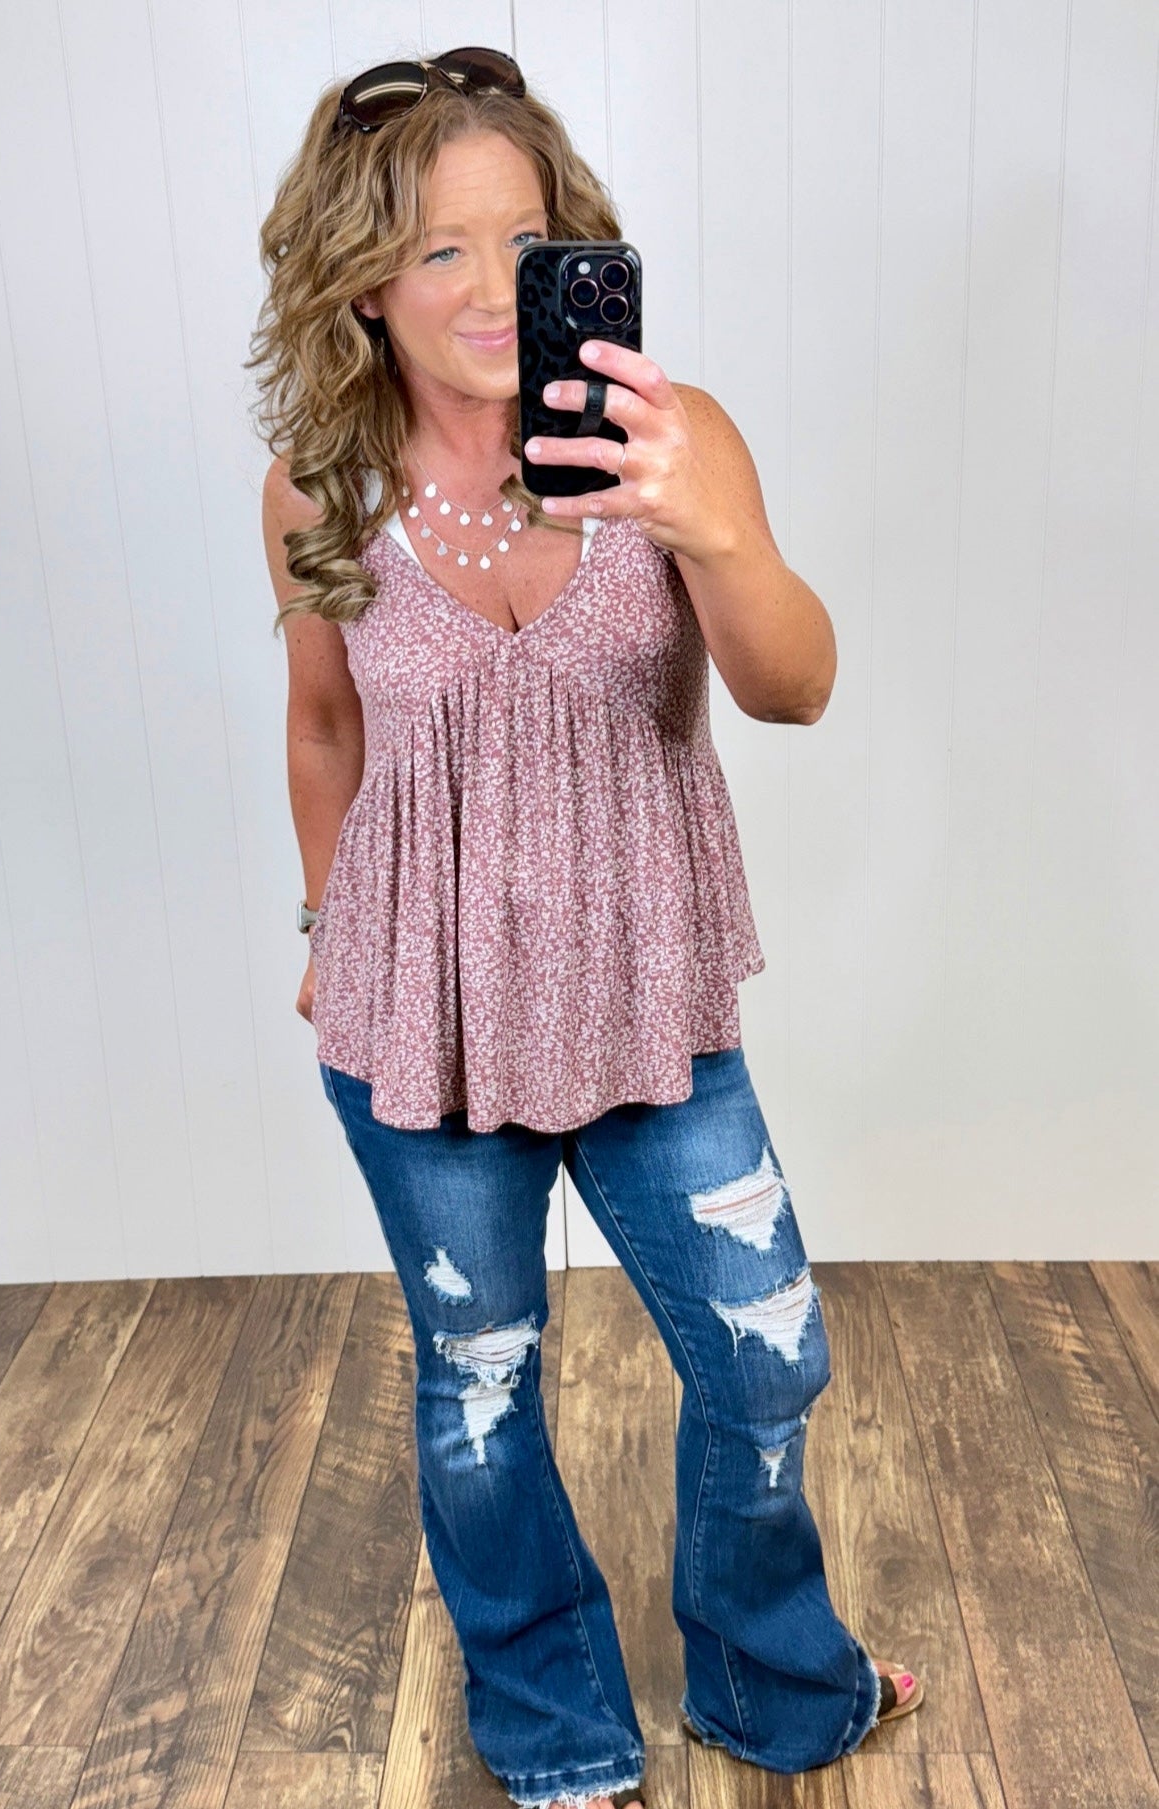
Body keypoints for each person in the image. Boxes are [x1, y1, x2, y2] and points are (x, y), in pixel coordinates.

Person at [250, 45, 923, 1809]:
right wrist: (327, 920)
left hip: (643, 996)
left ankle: (773, 1683)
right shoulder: (322, 485)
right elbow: (323, 725)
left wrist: (710, 527)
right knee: (479, 1385)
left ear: (577, 251)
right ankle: (557, 1731)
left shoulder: (665, 434)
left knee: (766, 1354)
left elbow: (795, 687)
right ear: (362, 282)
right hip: (421, 1009)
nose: (491, 287)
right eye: (438, 250)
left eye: (524, 239)